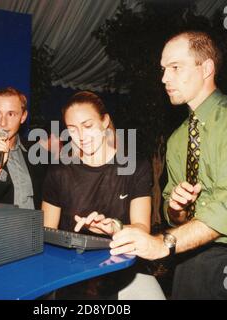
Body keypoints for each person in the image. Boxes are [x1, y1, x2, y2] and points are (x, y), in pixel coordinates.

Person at [109, 31, 227, 299]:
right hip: (191, 256)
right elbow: (175, 215)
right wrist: (177, 208)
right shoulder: (179, 138)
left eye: (175, 67)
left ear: (206, 68)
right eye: (163, 69)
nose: (164, 78)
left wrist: (162, 244)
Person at [42, 91, 165, 300]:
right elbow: (46, 233)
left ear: (105, 121)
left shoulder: (134, 166)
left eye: (88, 126)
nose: (81, 136)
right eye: (72, 129)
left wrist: (113, 227)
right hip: (71, 275)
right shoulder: (58, 172)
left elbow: (142, 227)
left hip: (119, 269)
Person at [0, 86, 46, 209]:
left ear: (23, 117)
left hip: (33, 226)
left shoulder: (36, 151)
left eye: (11, 114)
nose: (3, 123)